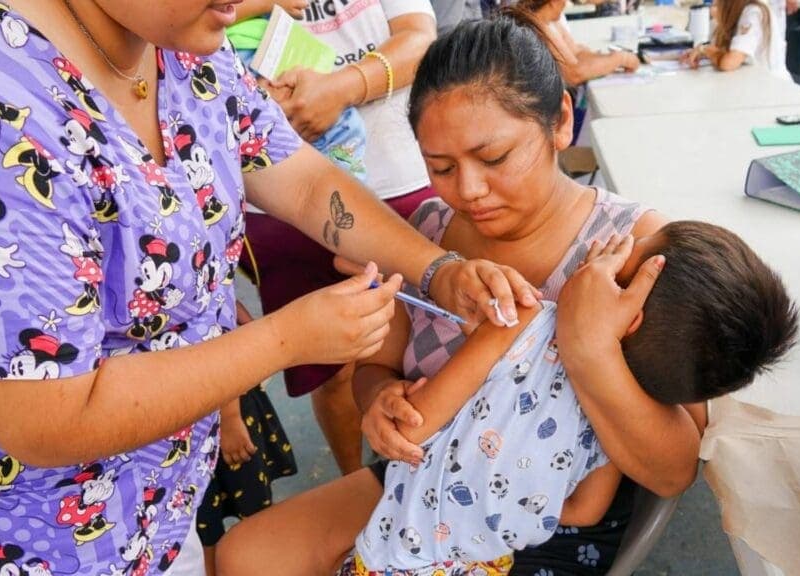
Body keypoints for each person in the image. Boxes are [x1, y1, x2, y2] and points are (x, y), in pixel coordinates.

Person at [0, 2, 537, 575]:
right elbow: (47, 418)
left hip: (163, 500)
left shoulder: (178, 41)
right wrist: (287, 337)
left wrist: (436, 269)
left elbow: (298, 178)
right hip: (36, 544)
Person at [217, 17, 710, 576]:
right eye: (440, 167)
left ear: (561, 122)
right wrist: (380, 402)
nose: (469, 191)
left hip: (559, 515)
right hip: (435, 476)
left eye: (494, 158)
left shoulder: (634, 249)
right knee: (245, 556)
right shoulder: (428, 227)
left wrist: (586, 346)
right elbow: (377, 368)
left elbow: (673, 471)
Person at [335, 225, 798, 575]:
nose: (611, 248)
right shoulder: (622, 420)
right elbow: (583, 510)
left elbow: (414, 430)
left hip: (393, 555)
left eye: (627, 254)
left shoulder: (522, 321)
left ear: (629, 313)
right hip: (484, 565)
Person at [237, 0, 440, 475]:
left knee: (433, 343)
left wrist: (340, 89)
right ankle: (356, 484)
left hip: (400, 181)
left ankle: (432, 479)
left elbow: (419, 37)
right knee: (334, 369)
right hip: (275, 199)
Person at [197, 303, 297, 576]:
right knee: (203, 525)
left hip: (228, 408)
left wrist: (229, 416)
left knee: (255, 511)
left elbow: (220, 314)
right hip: (190, 415)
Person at [227, 0, 368, 182]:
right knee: (343, 128)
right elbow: (197, 13)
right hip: (241, 54)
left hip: (269, 46)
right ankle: (347, 200)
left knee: (341, 127)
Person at [504, 0, 640, 87]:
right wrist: (620, 59)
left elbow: (576, 53)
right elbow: (573, 74)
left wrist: (606, 60)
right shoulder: (535, 27)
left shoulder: (551, 21)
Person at [680, 0, 791, 78]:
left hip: (773, 91)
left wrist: (704, 50)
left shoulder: (754, 12)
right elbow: (720, 49)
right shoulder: (733, 11)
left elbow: (728, 63)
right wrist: (701, 52)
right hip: (751, 86)